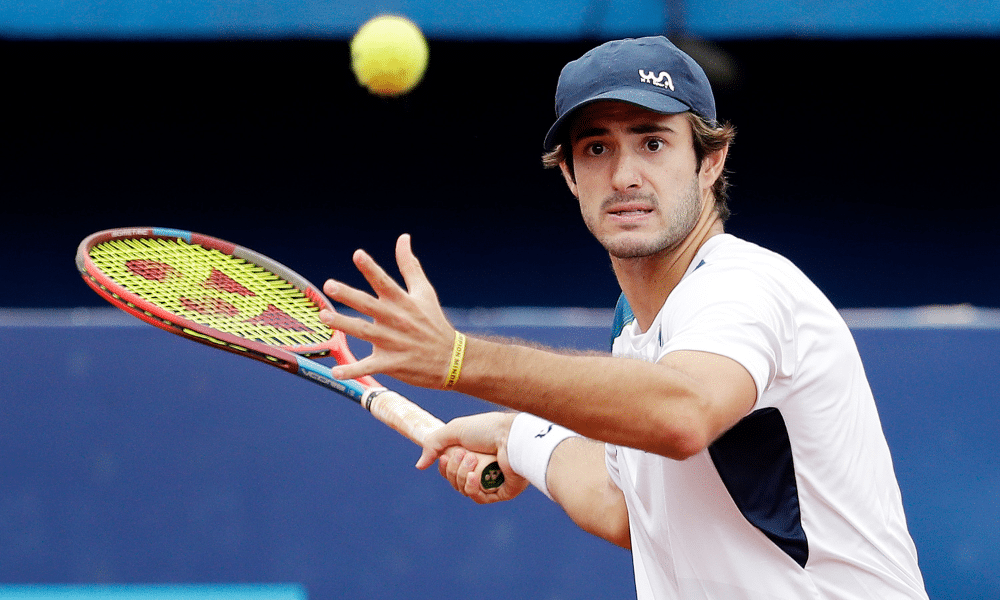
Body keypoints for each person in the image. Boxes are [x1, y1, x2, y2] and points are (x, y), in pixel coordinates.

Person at [319, 36, 928, 600]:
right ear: (569, 175)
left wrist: (459, 360)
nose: (625, 175)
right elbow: (622, 506)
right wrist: (517, 437)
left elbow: (682, 412)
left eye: (653, 142)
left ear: (710, 161)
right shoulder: (633, 330)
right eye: (596, 148)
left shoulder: (746, 286)